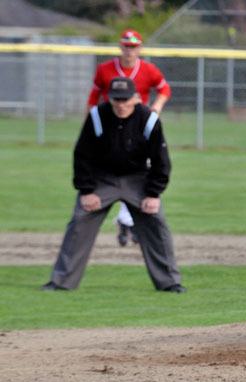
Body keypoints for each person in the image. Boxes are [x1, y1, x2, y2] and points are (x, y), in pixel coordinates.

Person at [42, 77, 185, 293]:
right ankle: (61, 282)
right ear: (109, 98)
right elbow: (82, 155)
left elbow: (161, 160)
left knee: (157, 223)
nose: (120, 104)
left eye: (125, 99)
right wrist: (87, 190)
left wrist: (154, 194)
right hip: (102, 179)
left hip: (138, 179)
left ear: (136, 98)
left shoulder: (148, 120)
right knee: (80, 220)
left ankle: (170, 282)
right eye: (116, 99)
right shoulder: (97, 116)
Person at [87, 29, 172, 247]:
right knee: (107, 172)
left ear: (139, 48)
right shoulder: (105, 69)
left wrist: (156, 107)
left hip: (139, 129)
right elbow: (94, 96)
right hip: (109, 128)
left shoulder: (148, 69)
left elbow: (164, 89)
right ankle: (125, 221)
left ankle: (127, 221)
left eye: (133, 46)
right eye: (126, 45)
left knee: (136, 173)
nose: (129, 50)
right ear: (120, 46)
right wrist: (90, 123)